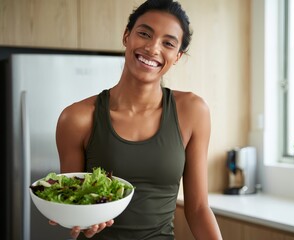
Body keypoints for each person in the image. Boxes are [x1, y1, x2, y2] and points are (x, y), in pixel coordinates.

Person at [53, 0, 223, 239]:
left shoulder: (193, 111)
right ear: (126, 36)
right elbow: (73, 203)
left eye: (168, 43)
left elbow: (197, 209)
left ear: (177, 56)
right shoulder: (77, 118)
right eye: (144, 34)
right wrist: (77, 217)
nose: (153, 48)